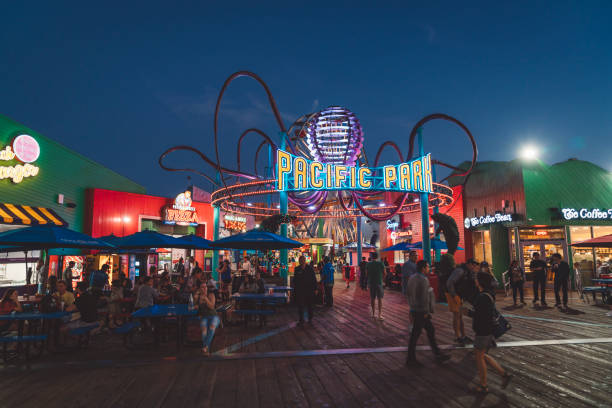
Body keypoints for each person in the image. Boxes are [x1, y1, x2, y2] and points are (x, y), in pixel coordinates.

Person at [464, 272, 512, 393]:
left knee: (479, 357)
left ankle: (484, 385)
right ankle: (503, 374)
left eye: (476, 278)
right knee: (481, 355)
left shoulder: (483, 296)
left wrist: (467, 313)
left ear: (480, 281)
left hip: (483, 330)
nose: (475, 280)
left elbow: (481, 315)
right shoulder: (488, 294)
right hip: (487, 330)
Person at [406, 260, 450, 366]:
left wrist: (411, 309)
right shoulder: (423, 279)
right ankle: (411, 359)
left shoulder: (412, 278)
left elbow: (408, 293)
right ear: (423, 268)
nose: (429, 268)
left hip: (415, 309)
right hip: (421, 311)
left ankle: (437, 353)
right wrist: (426, 311)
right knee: (415, 335)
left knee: (430, 330)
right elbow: (424, 297)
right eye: (427, 267)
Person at [446, 258, 479, 346]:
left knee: (459, 315)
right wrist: (454, 295)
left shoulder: (468, 271)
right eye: (473, 264)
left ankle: (463, 336)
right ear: (468, 264)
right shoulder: (460, 271)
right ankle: (458, 337)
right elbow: (449, 283)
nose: (474, 266)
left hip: (458, 294)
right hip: (452, 293)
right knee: (457, 315)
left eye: (475, 265)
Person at [193, 281, 220, 355]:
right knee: (204, 330)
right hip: (204, 316)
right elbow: (193, 306)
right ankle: (206, 348)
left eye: (205, 287)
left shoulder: (211, 295)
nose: (204, 288)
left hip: (214, 316)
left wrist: (205, 298)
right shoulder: (198, 297)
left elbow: (212, 306)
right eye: (203, 287)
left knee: (212, 327)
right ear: (200, 289)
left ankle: (205, 347)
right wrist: (196, 301)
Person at [293, 256, 317, 325]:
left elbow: (314, 279)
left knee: (310, 305)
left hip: (309, 290)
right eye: (300, 260)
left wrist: (315, 288)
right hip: (300, 291)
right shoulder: (297, 269)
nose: (301, 261)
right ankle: (301, 320)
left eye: (303, 260)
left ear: (305, 261)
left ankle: (310, 318)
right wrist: (295, 289)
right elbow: (295, 280)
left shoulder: (310, 269)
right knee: (300, 306)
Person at [367, 252, 386, 320]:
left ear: (371, 257)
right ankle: (379, 315)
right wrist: (382, 280)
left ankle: (373, 313)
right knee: (379, 299)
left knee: (372, 298)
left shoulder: (368, 264)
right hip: (379, 283)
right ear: (377, 257)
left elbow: (367, 274)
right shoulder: (380, 263)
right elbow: (385, 273)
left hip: (371, 283)